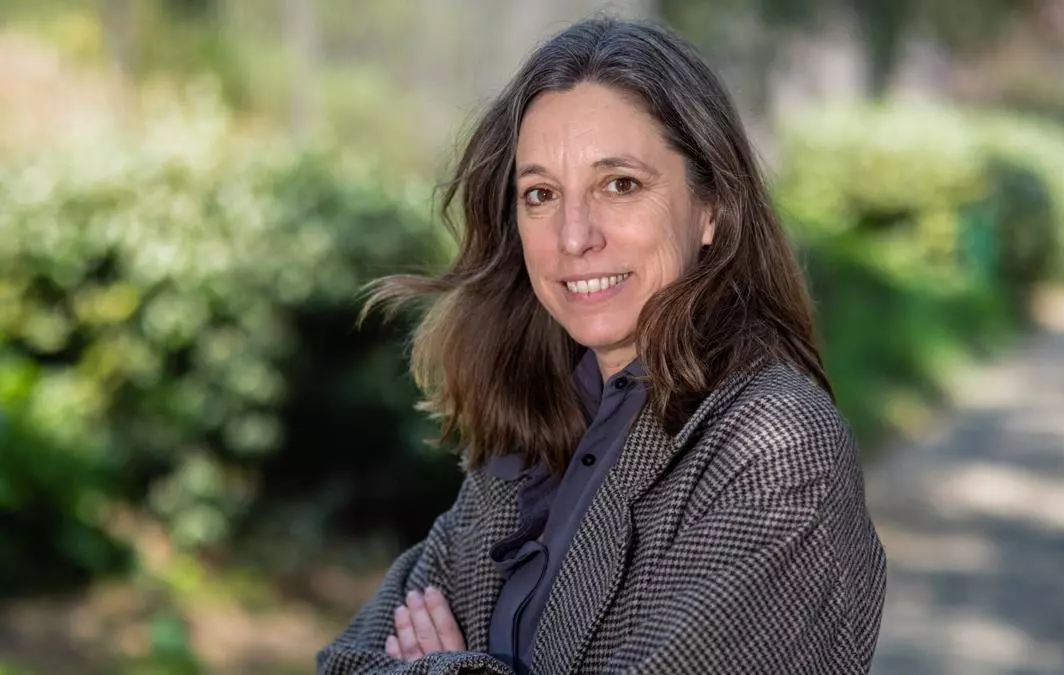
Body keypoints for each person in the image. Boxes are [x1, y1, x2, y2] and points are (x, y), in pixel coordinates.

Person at [316, 16, 886, 675]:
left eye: (620, 184)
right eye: (540, 194)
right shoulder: (534, 437)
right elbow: (347, 662)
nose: (573, 236)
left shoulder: (777, 449)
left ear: (712, 207)